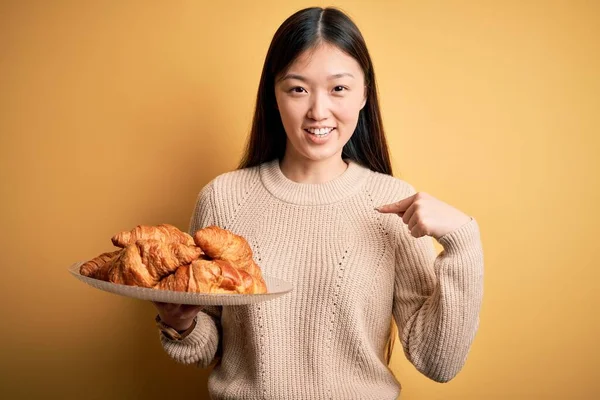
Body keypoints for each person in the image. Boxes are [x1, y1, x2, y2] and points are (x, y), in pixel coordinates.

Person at [153, 6, 483, 400]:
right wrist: (181, 323)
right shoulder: (223, 198)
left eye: (338, 88)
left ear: (364, 94)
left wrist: (463, 240)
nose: (318, 111)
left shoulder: (392, 203)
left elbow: (439, 362)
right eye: (298, 89)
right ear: (273, 96)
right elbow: (207, 345)